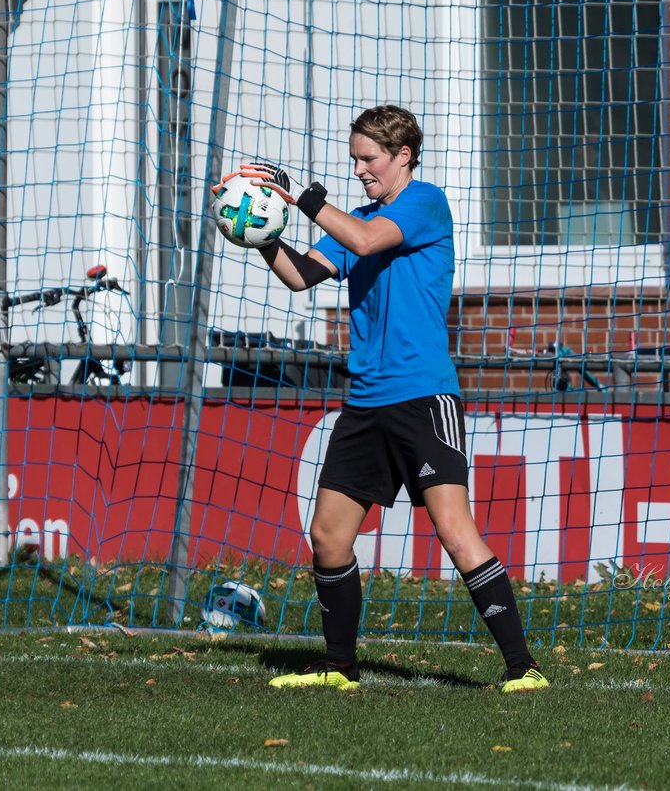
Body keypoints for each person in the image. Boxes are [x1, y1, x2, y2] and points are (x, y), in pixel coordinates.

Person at [223, 105, 548, 694]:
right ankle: (340, 669)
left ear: (403, 156)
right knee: (327, 535)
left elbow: (369, 241)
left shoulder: (424, 202)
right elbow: (301, 276)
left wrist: (298, 196)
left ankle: (523, 668)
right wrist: (260, 235)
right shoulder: (356, 219)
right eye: (354, 160)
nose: (360, 169)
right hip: (365, 403)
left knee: (454, 530)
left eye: (368, 159)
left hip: (423, 397)